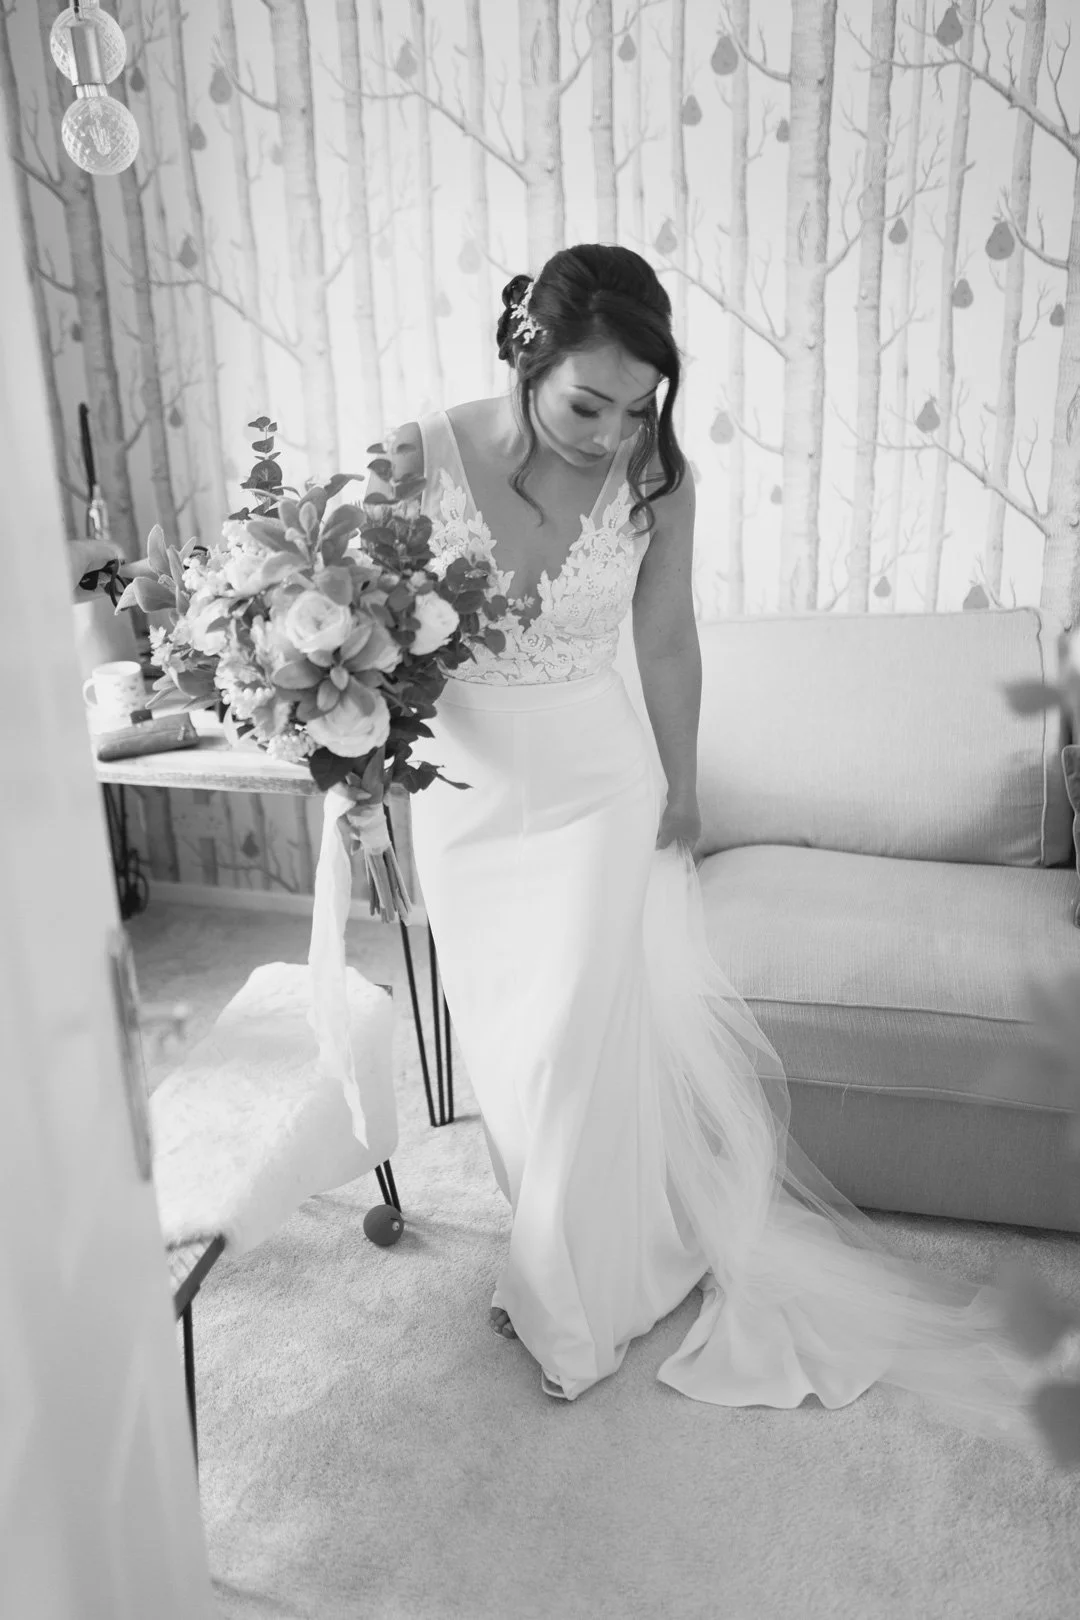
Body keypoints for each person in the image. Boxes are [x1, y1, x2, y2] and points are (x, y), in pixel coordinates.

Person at [371, 243, 1050, 1446]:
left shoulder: (659, 479)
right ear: (526, 357)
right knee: (516, 1055)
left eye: (639, 406)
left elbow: (670, 641)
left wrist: (682, 786)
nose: (611, 430)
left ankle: (560, 1305)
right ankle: (577, 1251)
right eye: (590, 402)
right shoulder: (419, 455)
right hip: (464, 799)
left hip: (596, 789)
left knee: (574, 1041)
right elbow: (366, 638)